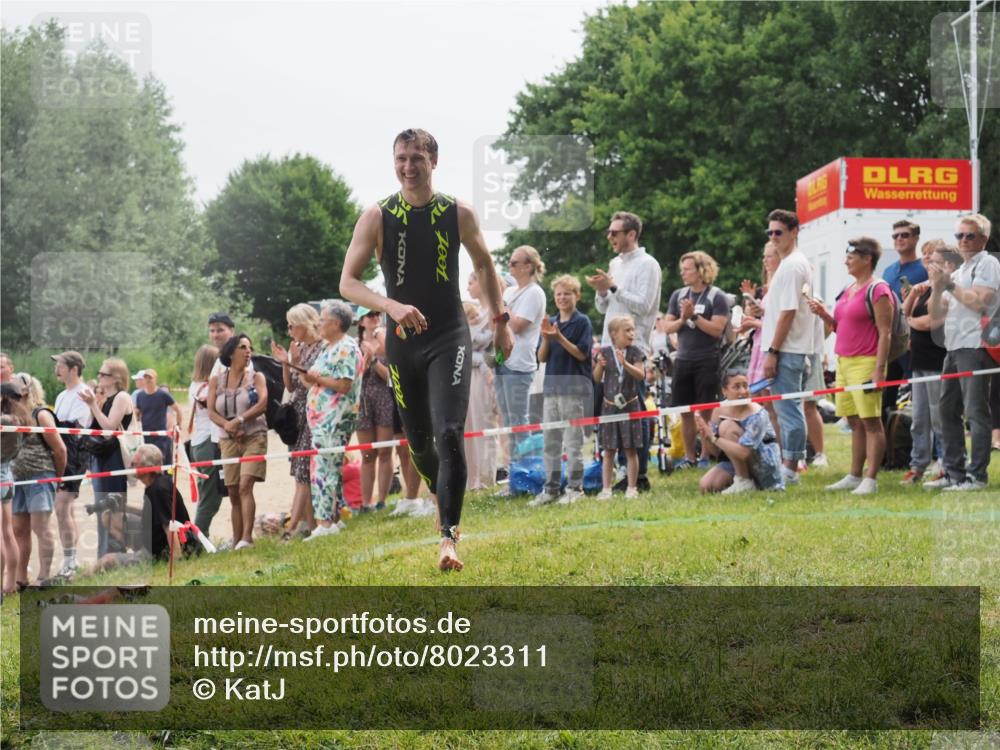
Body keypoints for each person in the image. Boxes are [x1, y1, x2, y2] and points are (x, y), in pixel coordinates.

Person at [338, 128, 510, 572]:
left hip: (449, 335)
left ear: (434, 161)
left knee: (449, 431)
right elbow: (348, 283)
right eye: (401, 158)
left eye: (416, 158)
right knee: (418, 443)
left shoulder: (458, 213)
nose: (408, 167)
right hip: (403, 344)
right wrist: (391, 306)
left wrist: (500, 321)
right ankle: (444, 497)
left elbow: (485, 266)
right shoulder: (376, 216)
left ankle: (449, 539)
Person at [808, 237, 893, 494]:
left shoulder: (878, 289)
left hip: (866, 362)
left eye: (851, 255)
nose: (846, 260)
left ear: (867, 259)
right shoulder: (848, 289)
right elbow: (841, 326)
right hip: (843, 361)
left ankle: (871, 479)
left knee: (871, 422)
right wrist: (824, 314)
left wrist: (878, 369)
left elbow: (885, 332)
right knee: (854, 421)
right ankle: (854, 475)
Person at [586, 211, 662, 491]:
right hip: (609, 341)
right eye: (609, 232)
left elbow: (643, 305)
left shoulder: (648, 264)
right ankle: (621, 471)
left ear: (631, 235)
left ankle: (638, 475)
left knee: (634, 406)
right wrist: (603, 291)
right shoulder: (614, 263)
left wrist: (614, 286)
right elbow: (603, 307)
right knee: (612, 406)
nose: (610, 237)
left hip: (634, 344)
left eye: (615, 233)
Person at [926, 213, 1000, 491]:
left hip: (976, 345)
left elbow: (980, 302)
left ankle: (977, 475)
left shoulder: (988, 263)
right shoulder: (956, 272)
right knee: (947, 410)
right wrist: (936, 288)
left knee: (975, 411)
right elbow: (936, 315)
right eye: (960, 236)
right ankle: (954, 472)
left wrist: (949, 285)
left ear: (984, 239)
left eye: (970, 235)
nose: (964, 241)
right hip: (954, 346)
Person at [662, 251, 731, 469]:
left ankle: (706, 456)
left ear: (701, 270)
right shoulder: (678, 295)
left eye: (688, 269)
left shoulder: (717, 296)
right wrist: (683, 319)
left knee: (706, 410)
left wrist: (694, 317)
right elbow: (667, 326)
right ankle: (690, 458)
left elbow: (717, 330)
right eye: (682, 269)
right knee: (685, 411)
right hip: (683, 359)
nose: (683, 273)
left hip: (707, 359)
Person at [760, 209, 814, 486]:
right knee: (785, 408)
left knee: (789, 409)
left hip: (787, 349)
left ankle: (791, 467)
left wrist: (773, 351)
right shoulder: (788, 264)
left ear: (794, 232)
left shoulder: (793, 265)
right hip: (785, 348)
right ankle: (790, 462)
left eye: (778, 232)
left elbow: (788, 312)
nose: (773, 237)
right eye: (770, 233)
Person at [302, 300, 363, 540]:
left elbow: (344, 385)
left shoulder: (346, 347)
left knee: (324, 471)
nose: (318, 324)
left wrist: (317, 378)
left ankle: (324, 524)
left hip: (334, 419)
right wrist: (309, 376)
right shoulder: (329, 347)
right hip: (321, 420)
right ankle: (332, 520)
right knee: (325, 470)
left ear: (337, 323)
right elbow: (315, 380)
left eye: (322, 320)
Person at [531, 274, 592, 506]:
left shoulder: (582, 322)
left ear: (576, 296)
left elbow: (582, 353)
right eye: (558, 294)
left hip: (573, 389)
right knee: (551, 442)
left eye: (567, 293)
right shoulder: (552, 321)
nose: (562, 297)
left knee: (573, 442)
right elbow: (541, 357)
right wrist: (547, 338)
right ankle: (551, 489)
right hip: (551, 389)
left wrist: (560, 337)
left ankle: (575, 488)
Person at [93, 444, 199, 571]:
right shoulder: (156, 484)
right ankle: (130, 555)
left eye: (134, 464)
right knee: (109, 516)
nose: (130, 466)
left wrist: (177, 562)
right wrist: (124, 507)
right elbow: (154, 515)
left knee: (106, 561)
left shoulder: (158, 490)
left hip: (161, 550)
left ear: (148, 468)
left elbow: (169, 527)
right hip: (152, 537)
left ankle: (78, 579)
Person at [207, 333, 268, 549]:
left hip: (254, 436)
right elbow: (211, 410)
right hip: (228, 439)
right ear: (231, 353)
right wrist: (228, 426)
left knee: (245, 486)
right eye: (243, 347)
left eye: (249, 347)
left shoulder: (256, 377)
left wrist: (240, 420)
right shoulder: (216, 380)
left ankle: (247, 538)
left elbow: (262, 404)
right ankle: (236, 539)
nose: (248, 351)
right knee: (233, 491)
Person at [270, 303, 325, 538]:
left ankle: (292, 528)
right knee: (300, 471)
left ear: (305, 324)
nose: (290, 331)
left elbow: (310, 381)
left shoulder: (323, 347)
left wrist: (295, 361)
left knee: (304, 469)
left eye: (293, 326)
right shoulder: (299, 347)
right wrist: (285, 362)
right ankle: (309, 526)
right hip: (297, 413)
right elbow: (291, 385)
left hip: (315, 411)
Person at [899, 240, 950, 485]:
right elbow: (904, 312)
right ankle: (917, 465)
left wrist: (911, 321)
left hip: (937, 360)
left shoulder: (946, 289)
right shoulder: (923, 288)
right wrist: (912, 298)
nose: (928, 261)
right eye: (926, 257)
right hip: (918, 361)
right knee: (919, 417)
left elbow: (932, 323)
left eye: (934, 258)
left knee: (939, 417)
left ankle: (944, 462)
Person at [494, 245, 546, 474]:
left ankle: (529, 471)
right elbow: (496, 324)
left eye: (514, 263)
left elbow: (517, 324)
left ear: (528, 266)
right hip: (502, 361)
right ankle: (516, 473)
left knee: (519, 421)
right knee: (508, 421)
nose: (509, 266)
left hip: (520, 365)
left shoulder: (534, 292)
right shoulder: (509, 293)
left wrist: (502, 306)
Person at [10, 373, 65, 585]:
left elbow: (60, 449)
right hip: (17, 479)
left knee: (41, 528)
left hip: (41, 476)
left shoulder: (41, 414)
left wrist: (57, 479)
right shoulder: (9, 413)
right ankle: (20, 578)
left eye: (16, 381)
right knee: (19, 530)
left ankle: (44, 577)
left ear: (26, 389)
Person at [695, 370, 785, 494]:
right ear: (724, 391)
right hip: (733, 460)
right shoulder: (718, 410)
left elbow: (744, 453)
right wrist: (707, 437)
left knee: (727, 426)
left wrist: (714, 437)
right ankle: (742, 480)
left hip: (763, 464)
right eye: (736, 387)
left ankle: (744, 482)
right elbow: (716, 452)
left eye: (745, 386)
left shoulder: (757, 414)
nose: (743, 391)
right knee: (707, 486)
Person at [80, 357, 134, 558]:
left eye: (103, 374)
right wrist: (94, 404)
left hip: (114, 457)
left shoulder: (121, 397)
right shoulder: (105, 398)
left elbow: (109, 428)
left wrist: (94, 404)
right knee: (101, 505)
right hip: (101, 457)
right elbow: (90, 426)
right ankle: (104, 553)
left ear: (116, 377)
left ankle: (115, 551)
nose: (99, 377)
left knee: (112, 505)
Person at [881, 220, 929, 422]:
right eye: (895, 236)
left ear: (916, 238)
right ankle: (889, 450)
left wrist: (914, 298)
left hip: (915, 342)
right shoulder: (888, 271)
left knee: (919, 396)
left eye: (905, 235)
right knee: (886, 399)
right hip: (891, 342)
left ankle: (926, 448)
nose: (899, 239)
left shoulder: (924, 268)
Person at [594, 315, 646, 499]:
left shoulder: (636, 352)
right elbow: (596, 378)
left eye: (633, 330)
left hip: (630, 408)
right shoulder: (604, 352)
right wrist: (600, 366)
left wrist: (625, 364)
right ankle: (606, 488)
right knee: (608, 450)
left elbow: (640, 375)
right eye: (627, 330)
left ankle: (632, 487)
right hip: (609, 408)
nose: (632, 333)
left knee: (631, 449)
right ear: (613, 334)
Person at [50, 350, 92, 578]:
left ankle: (70, 561)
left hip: (75, 454)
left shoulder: (83, 392)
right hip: (62, 453)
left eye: (61, 365)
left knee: (62, 507)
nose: (57, 369)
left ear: (74, 368)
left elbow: (74, 427)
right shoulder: (61, 395)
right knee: (65, 510)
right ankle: (71, 559)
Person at [740, 242, 782, 440]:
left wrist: (755, 323)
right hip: (760, 346)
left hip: (770, 349)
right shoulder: (770, 285)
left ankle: (784, 455)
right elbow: (769, 317)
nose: (765, 260)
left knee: (772, 407)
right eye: (764, 256)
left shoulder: (781, 283)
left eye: (769, 256)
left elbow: (780, 323)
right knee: (760, 402)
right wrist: (754, 316)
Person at [355, 308, 395, 512]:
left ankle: (382, 500)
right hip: (362, 401)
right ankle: (365, 502)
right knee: (367, 455)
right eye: (370, 315)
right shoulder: (353, 345)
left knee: (385, 451)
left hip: (383, 399)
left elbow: (390, 377)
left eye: (377, 314)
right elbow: (351, 378)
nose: (375, 317)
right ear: (361, 321)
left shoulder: (386, 342)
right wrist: (364, 361)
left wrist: (373, 361)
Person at [463, 272, 501, 492]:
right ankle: (470, 480)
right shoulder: (469, 311)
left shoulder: (495, 312)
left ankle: (486, 479)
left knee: (483, 426)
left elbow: (495, 350)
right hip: (467, 375)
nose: (468, 287)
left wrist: (484, 364)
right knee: (468, 428)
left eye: (472, 282)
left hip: (486, 377)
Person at [187, 345, 221, 535]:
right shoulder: (207, 388)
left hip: (198, 443)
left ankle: (200, 536)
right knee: (210, 497)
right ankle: (197, 539)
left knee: (206, 495)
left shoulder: (195, 385)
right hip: (208, 442)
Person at [1, 380, 23, 594]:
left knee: (2, 535)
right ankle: (9, 584)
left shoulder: (4, 420)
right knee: (7, 533)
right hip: (7, 475)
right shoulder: (17, 419)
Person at [134, 369, 182, 465]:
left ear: (155, 379)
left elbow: (177, 409)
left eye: (150, 378)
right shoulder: (140, 395)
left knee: (162, 461)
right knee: (149, 462)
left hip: (161, 436)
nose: (148, 380)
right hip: (146, 435)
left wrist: (178, 425)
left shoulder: (162, 394)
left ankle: (166, 478)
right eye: (145, 377)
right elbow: (137, 412)